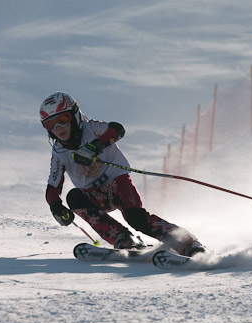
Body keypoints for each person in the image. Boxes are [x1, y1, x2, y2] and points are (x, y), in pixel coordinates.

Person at [41, 91, 205, 256]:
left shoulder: (91, 128)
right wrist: (56, 207)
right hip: (94, 195)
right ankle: (123, 237)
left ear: (75, 116)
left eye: (63, 120)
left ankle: (188, 243)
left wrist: (95, 147)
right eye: (51, 125)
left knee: (136, 218)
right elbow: (53, 186)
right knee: (74, 197)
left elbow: (117, 129)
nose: (58, 128)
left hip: (118, 184)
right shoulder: (59, 153)